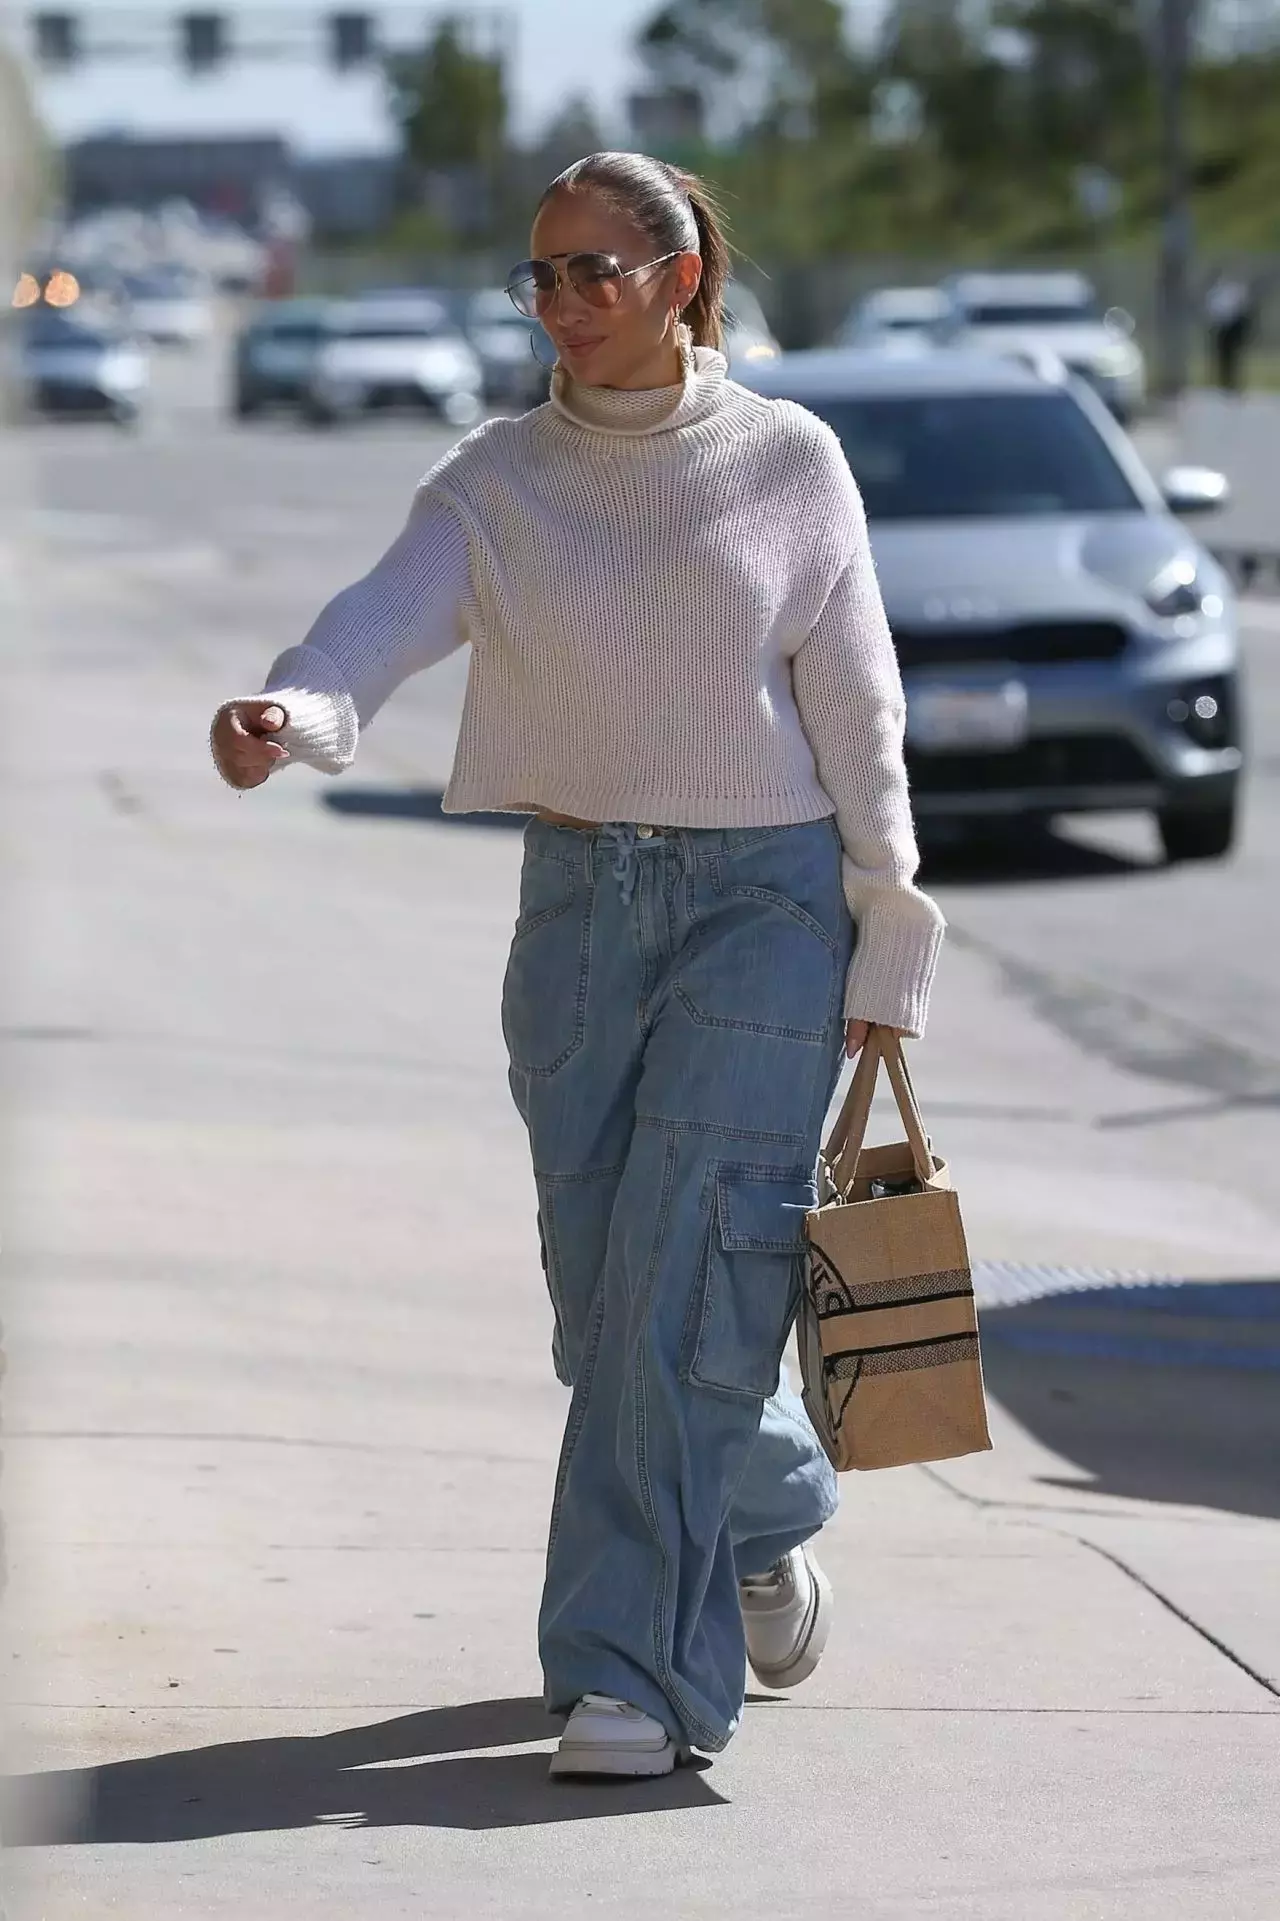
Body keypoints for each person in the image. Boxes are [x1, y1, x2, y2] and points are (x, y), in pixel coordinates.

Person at [209, 151, 945, 1781]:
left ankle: (632, 1675)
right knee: (607, 1310)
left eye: (590, 274)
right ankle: (763, 1510)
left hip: (764, 905)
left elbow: (857, 705)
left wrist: (889, 915)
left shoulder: (786, 462)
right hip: (577, 915)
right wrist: (296, 713)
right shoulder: (500, 481)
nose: (558, 306)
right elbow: (374, 623)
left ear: (681, 278)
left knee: (684, 1282)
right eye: (538, 278)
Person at [1204, 270, 1255, 393]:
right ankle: (1224, 382)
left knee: (1234, 357)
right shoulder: (1216, 293)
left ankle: (1232, 382)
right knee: (1222, 357)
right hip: (1221, 328)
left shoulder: (1233, 292)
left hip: (1232, 328)